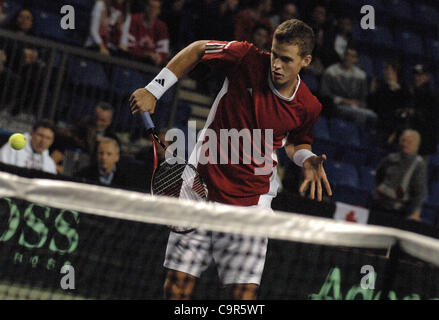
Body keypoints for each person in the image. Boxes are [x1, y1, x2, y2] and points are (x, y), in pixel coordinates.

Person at [130, 18, 332, 300]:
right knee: (176, 288)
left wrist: (307, 158)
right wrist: (154, 90)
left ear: (305, 61)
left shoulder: (309, 105)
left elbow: (297, 143)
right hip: (199, 187)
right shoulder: (245, 57)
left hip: (251, 204)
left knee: (243, 298)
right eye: (275, 54)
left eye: (286, 60)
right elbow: (199, 49)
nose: (276, 65)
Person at [372, 129, 427, 222]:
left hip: (397, 211)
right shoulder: (390, 158)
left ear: (416, 146)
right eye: (403, 140)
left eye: (409, 142)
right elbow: (379, 175)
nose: (405, 144)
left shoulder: (419, 165)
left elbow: (419, 191)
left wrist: (416, 213)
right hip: (378, 204)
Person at [50, 102, 119, 174]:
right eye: (96, 118)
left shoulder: (113, 139)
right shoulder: (81, 129)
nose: (98, 123)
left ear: (109, 122)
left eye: (102, 120)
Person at [320, 44, 376, 125]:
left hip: (355, 107)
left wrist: (359, 104)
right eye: (347, 55)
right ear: (343, 56)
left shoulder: (361, 75)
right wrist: (343, 101)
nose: (348, 58)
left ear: (356, 59)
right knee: (358, 115)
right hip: (336, 105)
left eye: (352, 56)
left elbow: (363, 98)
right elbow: (324, 93)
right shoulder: (331, 71)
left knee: (372, 116)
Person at [121, 0, 169, 66]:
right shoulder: (134, 20)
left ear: (159, 11)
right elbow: (129, 46)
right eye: (150, 7)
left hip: (151, 66)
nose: (152, 11)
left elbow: (163, 52)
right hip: (133, 62)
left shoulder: (161, 27)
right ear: (145, 7)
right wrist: (147, 55)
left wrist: (158, 57)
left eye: (155, 8)